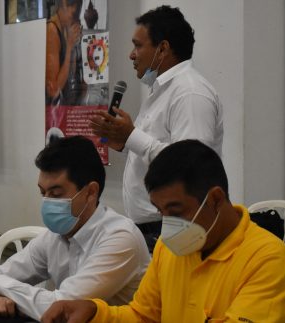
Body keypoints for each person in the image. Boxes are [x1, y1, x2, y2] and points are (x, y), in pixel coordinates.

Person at [41, 140, 285, 323]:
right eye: (160, 211)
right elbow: (144, 316)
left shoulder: (268, 261)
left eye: (176, 210)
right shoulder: (170, 248)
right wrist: (95, 312)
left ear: (216, 199)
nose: (168, 224)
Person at [89, 5, 223, 251]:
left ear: (163, 48)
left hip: (175, 226)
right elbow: (157, 153)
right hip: (152, 227)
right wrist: (125, 141)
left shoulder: (190, 93)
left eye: (138, 46)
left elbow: (191, 166)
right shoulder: (160, 92)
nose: (131, 55)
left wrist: (132, 136)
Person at [0, 136, 150, 320]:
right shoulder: (56, 235)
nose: (47, 202)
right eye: (43, 193)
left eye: (56, 194)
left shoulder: (120, 238)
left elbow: (62, 307)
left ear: (90, 192)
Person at [45, 0, 84, 106]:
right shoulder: (52, 30)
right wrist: (69, 47)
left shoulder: (66, 28)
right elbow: (53, 90)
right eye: (73, 13)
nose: (74, 16)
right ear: (62, 5)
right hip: (56, 111)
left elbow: (72, 73)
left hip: (67, 105)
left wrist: (75, 45)